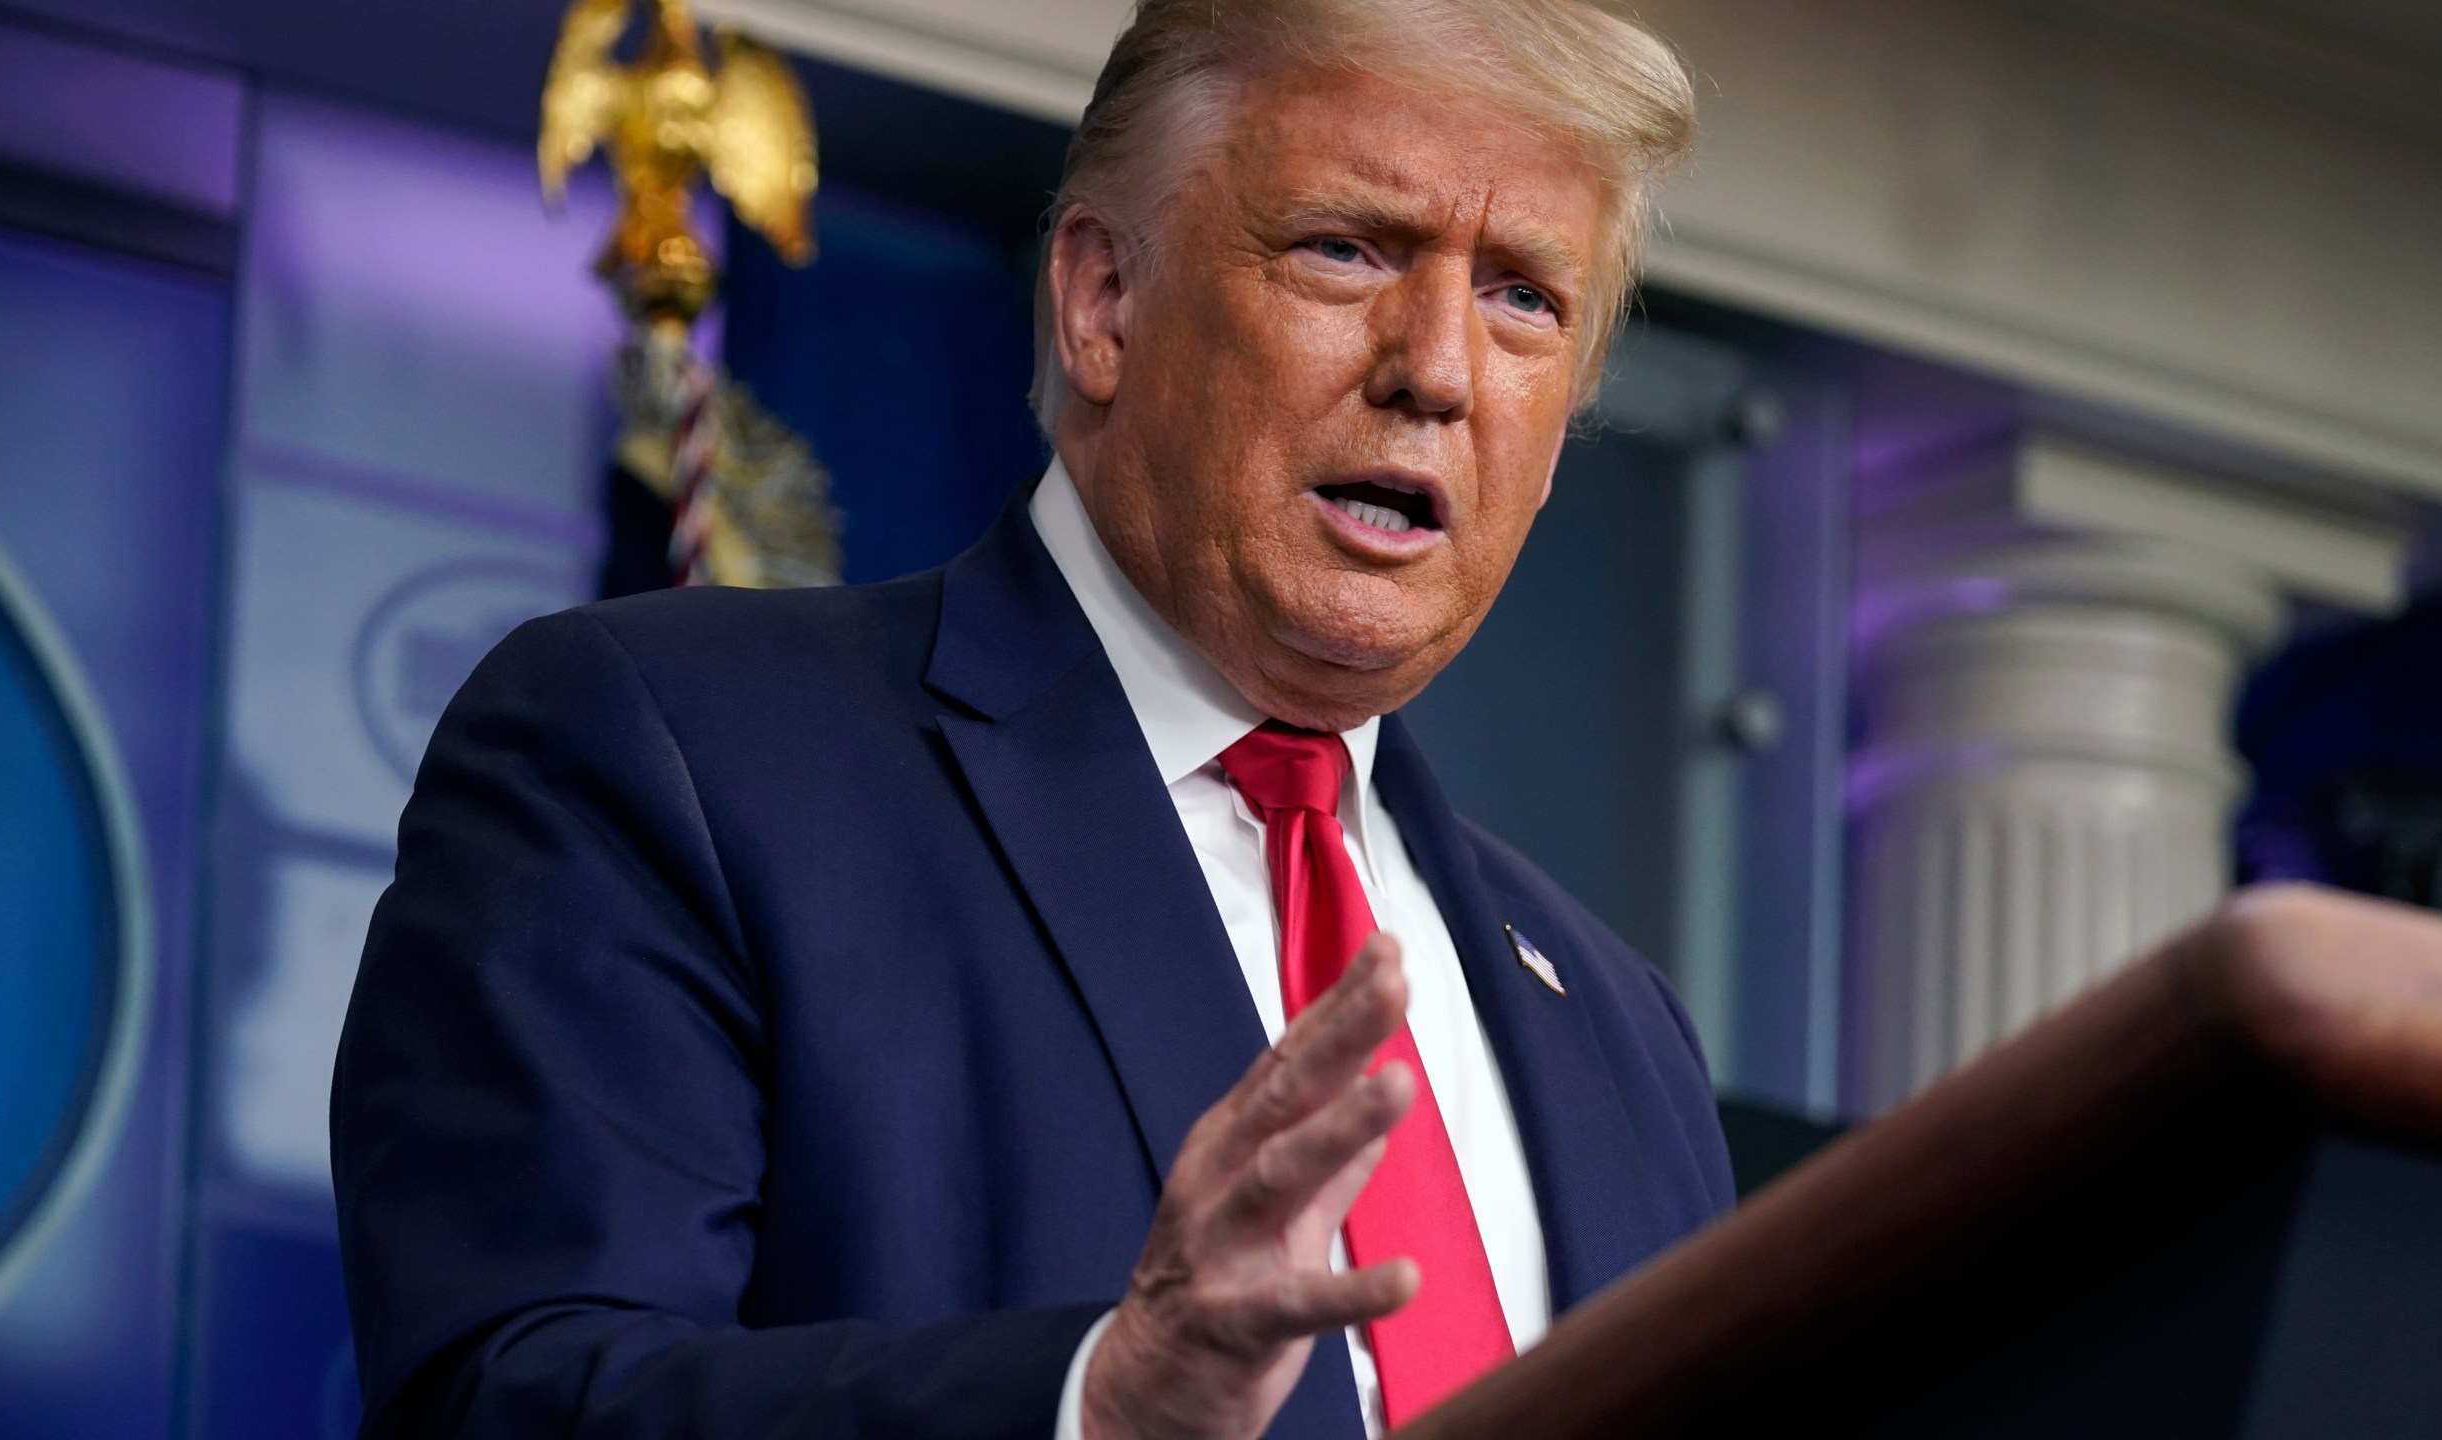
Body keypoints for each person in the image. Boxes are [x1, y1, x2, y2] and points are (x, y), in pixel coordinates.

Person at [330, 2, 1729, 1437]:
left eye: (1523, 300)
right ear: (1103, 302)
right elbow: (506, 1404)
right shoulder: (667, 753)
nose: (1435, 366)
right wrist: (1092, 1412)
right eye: (1346, 249)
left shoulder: (1629, 1044)